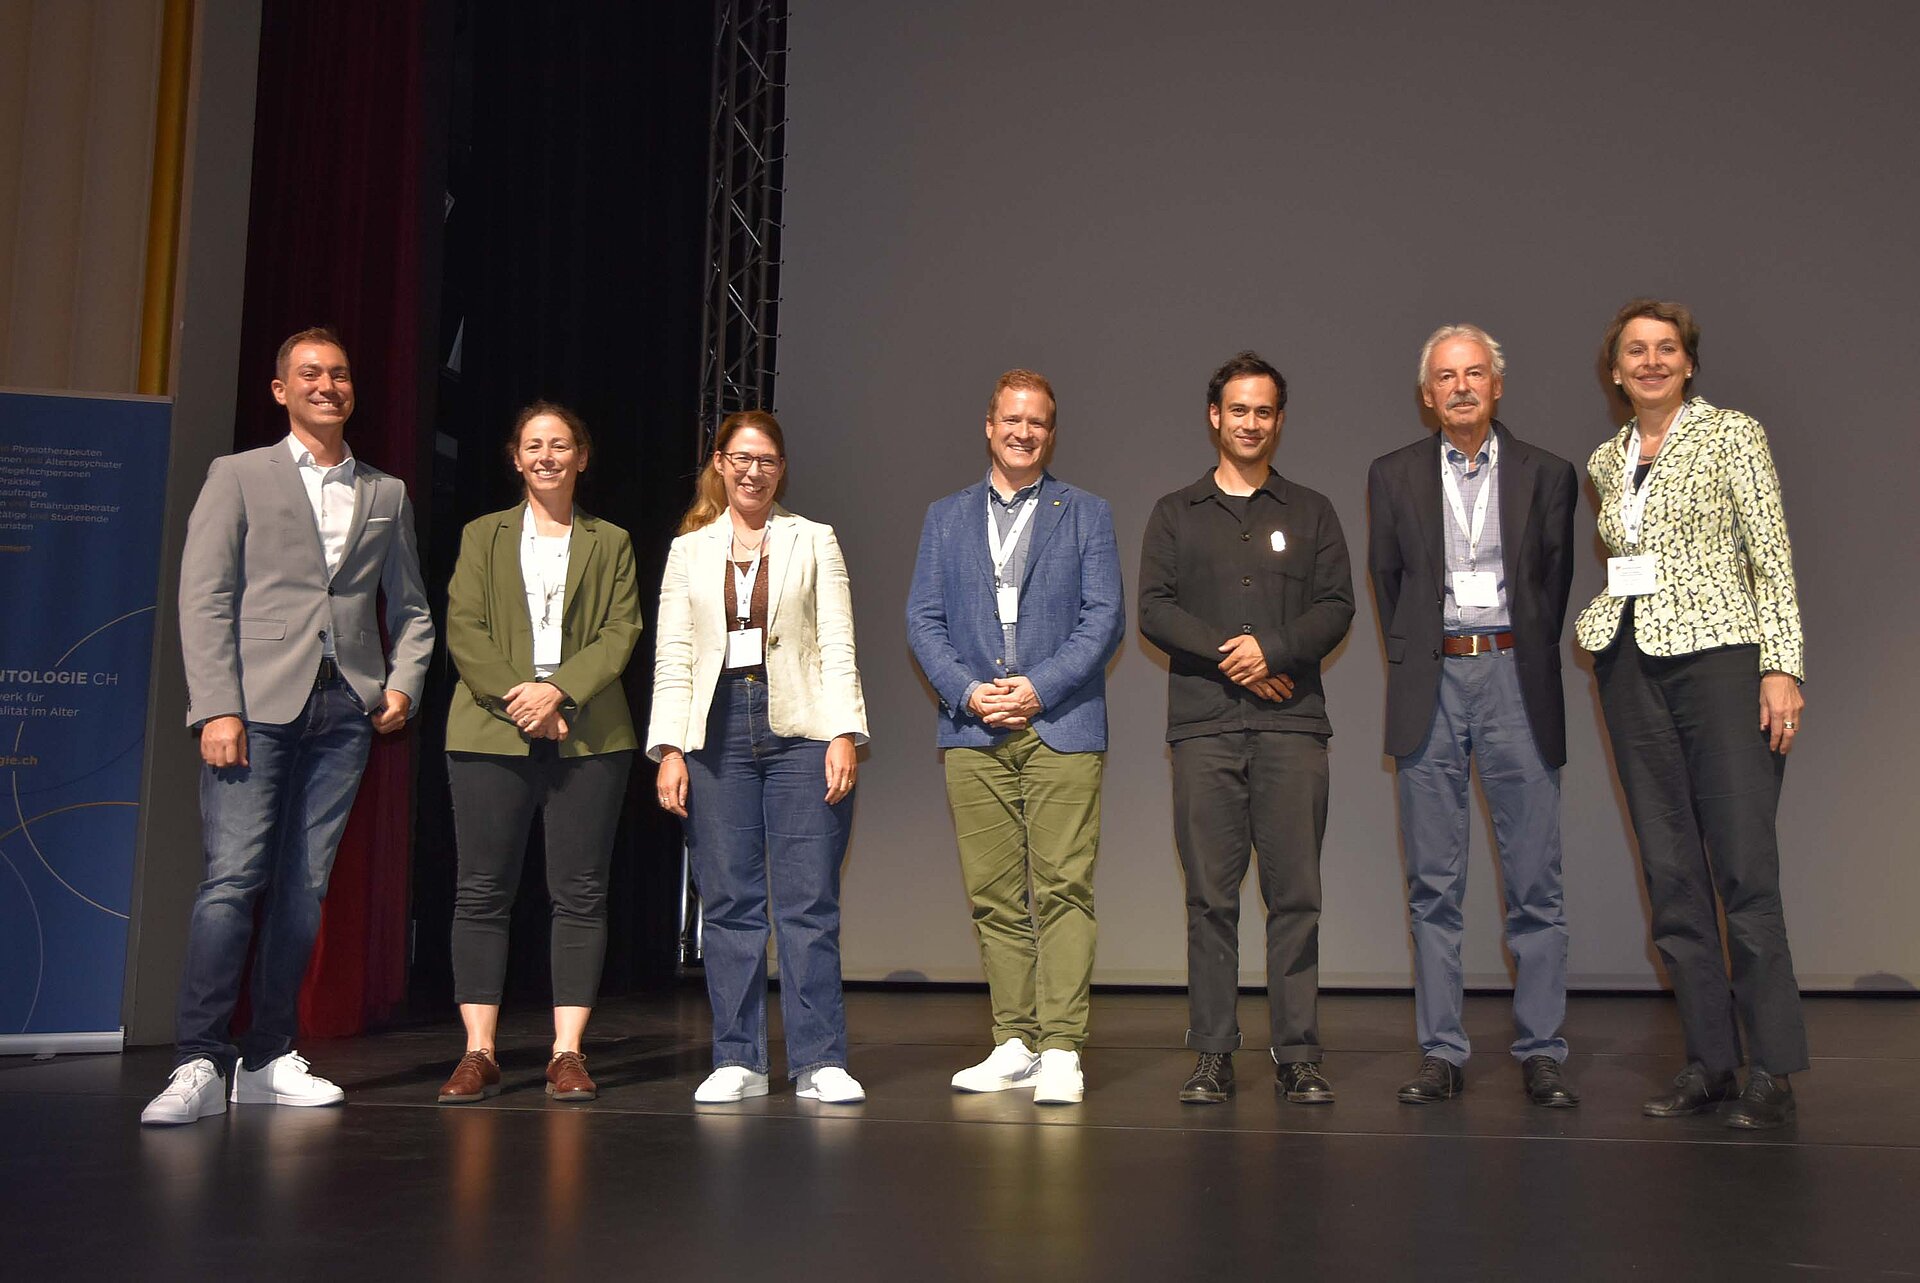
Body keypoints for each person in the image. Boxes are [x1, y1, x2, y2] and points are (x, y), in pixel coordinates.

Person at [142, 327, 434, 1126]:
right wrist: (216, 704)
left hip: (345, 710)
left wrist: (401, 684)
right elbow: (205, 594)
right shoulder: (238, 474)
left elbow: (412, 608)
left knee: (304, 887)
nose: (327, 385)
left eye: (339, 373)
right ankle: (198, 1059)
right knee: (233, 879)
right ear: (281, 390)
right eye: (310, 373)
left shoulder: (386, 491)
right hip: (254, 705)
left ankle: (269, 1054)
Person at [1577, 299, 1809, 1130]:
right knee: (1672, 873)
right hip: (1631, 666)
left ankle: (1772, 1067)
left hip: (1721, 661)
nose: (1651, 361)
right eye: (1635, 351)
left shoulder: (1732, 434)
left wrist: (1781, 665)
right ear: (1615, 370)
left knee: (1743, 867)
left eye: (1666, 348)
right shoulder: (1606, 458)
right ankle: (1711, 1060)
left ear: (1688, 361)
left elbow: (1769, 554)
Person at [1366, 324, 1580, 1108]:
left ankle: (1542, 1050)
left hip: (1515, 676)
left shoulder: (1547, 473)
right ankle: (1442, 1052)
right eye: (1446, 376)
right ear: (1427, 395)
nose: (1461, 386)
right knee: (1432, 884)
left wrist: (1509, 646)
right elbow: (1389, 581)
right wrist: (1430, 652)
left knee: (1536, 885)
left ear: (1497, 385)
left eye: (1475, 373)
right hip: (1434, 680)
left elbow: (1553, 581)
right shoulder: (1391, 474)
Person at [1138, 351, 1354, 1105]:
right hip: (1204, 729)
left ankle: (1298, 1053)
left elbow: (1336, 606)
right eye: (1238, 409)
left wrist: (1276, 650)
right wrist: (1238, 658)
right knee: (1210, 898)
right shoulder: (1174, 512)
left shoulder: (1313, 511)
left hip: (1293, 726)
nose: (1251, 423)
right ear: (1214, 417)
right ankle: (1212, 1053)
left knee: (1296, 896)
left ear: (1279, 420)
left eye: (1264, 411)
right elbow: (1155, 609)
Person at [906, 370, 1125, 1106]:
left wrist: (1039, 687)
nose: (1023, 432)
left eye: (1036, 422)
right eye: (1011, 419)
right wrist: (968, 691)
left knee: (1064, 889)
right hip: (974, 729)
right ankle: (1014, 1041)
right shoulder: (945, 517)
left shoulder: (1086, 512)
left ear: (1050, 434)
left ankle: (1060, 1048)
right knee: (994, 896)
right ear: (989, 425)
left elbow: (1104, 618)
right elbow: (923, 620)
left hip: (1061, 724)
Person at [648, 411, 870, 1104]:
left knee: (808, 901)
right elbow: (674, 655)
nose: (753, 471)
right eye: (741, 458)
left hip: (802, 726)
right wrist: (670, 748)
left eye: (767, 460)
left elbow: (837, 641)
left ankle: (820, 1059)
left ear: (781, 469)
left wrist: (843, 732)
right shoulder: (689, 550)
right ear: (719, 463)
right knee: (730, 901)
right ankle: (738, 1058)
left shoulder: (813, 538)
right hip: (715, 730)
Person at [436, 402, 641, 1105]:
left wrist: (558, 693)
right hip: (488, 730)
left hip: (589, 734)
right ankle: (478, 1051)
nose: (547, 456)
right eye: (533, 445)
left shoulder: (611, 540)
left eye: (560, 445)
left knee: (579, 892)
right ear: (515, 458)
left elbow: (621, 631)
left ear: (582, 457)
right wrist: (519, 698)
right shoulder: (481, 535)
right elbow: (464, 627)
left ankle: (567, 1051)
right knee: (481, 890)